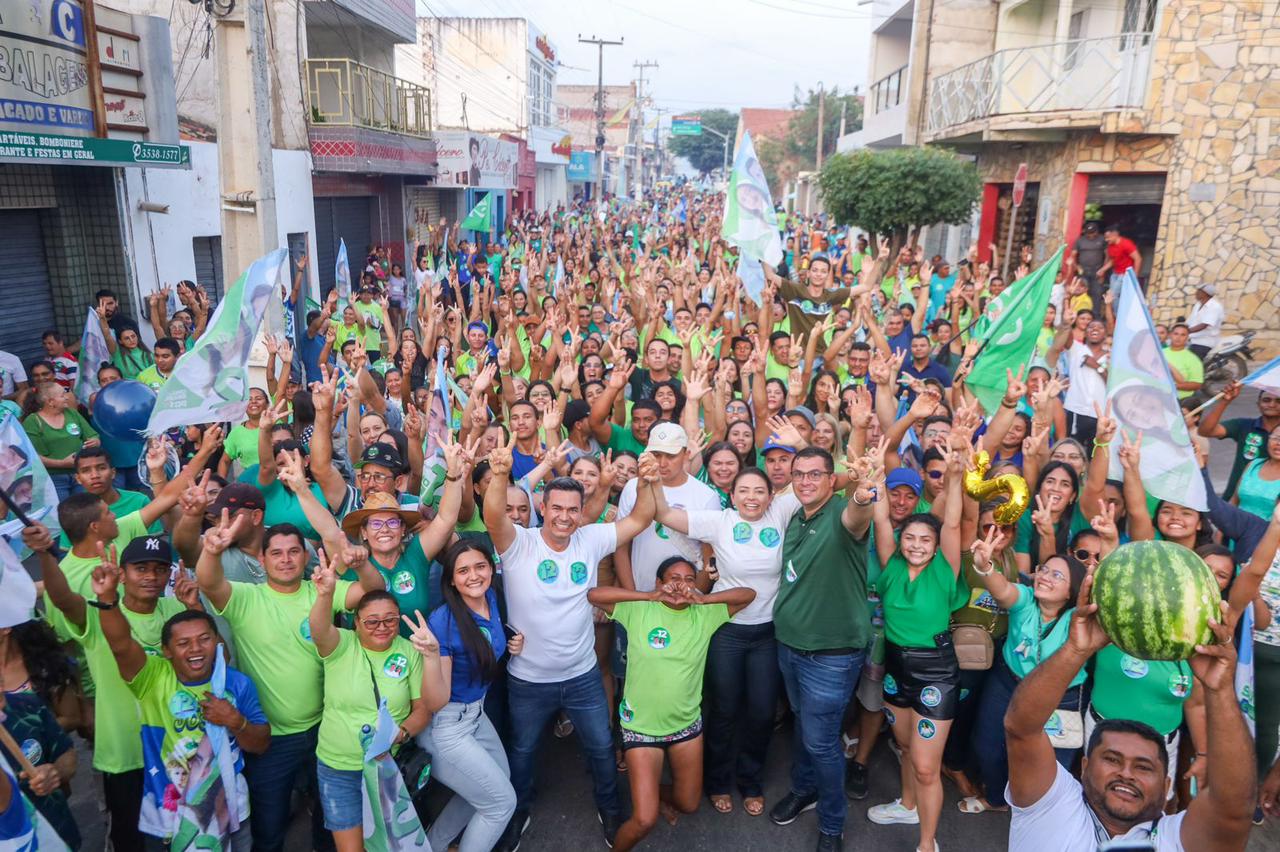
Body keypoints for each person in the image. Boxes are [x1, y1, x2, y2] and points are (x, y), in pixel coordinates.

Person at [484, 439, 660, 851]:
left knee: (601, 746)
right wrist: (498, 473)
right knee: (523, 752)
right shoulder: (519, 543)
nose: (564, 517)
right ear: (543, 508)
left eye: (572, 509)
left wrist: (650, 481)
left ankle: (609, 808)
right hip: (527, 679)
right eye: (556, 508)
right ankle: (518, 812)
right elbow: (493, 516)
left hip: (582, 676)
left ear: (582, 512)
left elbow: (641, 517)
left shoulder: (591, 538)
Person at [1004, 573, 1256, 850]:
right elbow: (1021, 729)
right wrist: (1076, 649)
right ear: (1085, 767)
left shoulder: (1177, 839)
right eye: (1112, 759)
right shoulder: (1050, 805)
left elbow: (1234, 808)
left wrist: (1220, 690)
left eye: (1144, 767)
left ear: (1166, 785)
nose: (1126, 773)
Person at [194, 511, 386, 852]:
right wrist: (210, 551)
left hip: (327, 733)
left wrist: (362, 564)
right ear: (263, 559)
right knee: (269, 832)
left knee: (331, 824)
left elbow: (374, 595)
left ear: (305, 556)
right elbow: (209, 583)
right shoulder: (245, 599)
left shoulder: (321, 591)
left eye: (294, 551)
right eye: (277, 553)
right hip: (271, 741)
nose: (286, 560)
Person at [33, 526, 200, 852]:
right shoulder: (99, 614)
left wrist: (194, 607)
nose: (151, 576)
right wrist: (43, 553)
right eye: (141, 568)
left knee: (182, 834)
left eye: (159, 569)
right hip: (125, 757)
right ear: (121, 574)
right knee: (130, 840)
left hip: (176, 751)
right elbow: (63, 598)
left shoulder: (178, 612)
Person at [95, 549, 269, 852]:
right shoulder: (152, 678)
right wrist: (109, 600)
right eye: (183, 643)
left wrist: (235, 721)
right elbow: (121, 644)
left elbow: (261, 743)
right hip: (168, 815)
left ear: (216, 642)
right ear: (166, 651)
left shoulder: (236, 683)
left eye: (204, 640)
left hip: (232, 809)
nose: (195, 650)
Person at [651, 467, 800, 816]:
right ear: (731, 496)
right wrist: (653, 479)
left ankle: (750, 781)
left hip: (767, 632)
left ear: (770, 495)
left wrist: (795, 443)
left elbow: (819, 480)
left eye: (759, 491)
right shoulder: (720, 521)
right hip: (726, 631)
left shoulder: (779, 511)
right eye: (744, 491)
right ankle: (717, 781)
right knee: (723, 710)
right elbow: (665, 514)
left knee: (763, 712)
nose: (752, 497)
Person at [587, 556, 755, 851]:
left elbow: (748, 595)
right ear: (660, 583)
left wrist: (704, 600)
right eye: (673, 578)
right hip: (641, 728)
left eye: (689, 580)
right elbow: (594, 595)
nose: (681, 585)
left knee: (689, 804)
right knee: (644, 821)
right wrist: (647, 595)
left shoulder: (705, 615)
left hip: (686, 726)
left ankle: (656, 794)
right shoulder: (639, 610)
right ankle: (645, 808)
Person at [769, 446, 877, 852]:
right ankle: (804, 788)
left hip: (831, 654)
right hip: (790, 644)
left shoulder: (840, 514)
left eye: (815, 474)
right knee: (803, 723)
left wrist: (865, 494)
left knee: (821, 740)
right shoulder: (796, 516)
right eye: (799, 474)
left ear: (833, 481)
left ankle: (833, 823)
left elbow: (859, 513)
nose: (805, 481)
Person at [865, 449, 964, 852]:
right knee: (905, 747)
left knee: (926, 767)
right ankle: (907, 805)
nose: (918, 545)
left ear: (937, 545)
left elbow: (953, 520)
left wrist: (955, 474)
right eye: (911, 538)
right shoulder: (890, 566)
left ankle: (927, 843)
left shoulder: (945, 569)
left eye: (926, 539)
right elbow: (879, 516)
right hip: (895, 669)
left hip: (936, 674)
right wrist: (873, 476)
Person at [307, 552, 432, 852]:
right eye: (372, 621)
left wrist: (400, 733)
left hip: (385, 767)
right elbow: (318, 628)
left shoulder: (409, 650)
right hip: (339, 766)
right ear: (356, 623)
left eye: (390, 619)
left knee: (390, 845)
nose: (382, 626)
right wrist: (325, 594)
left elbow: (422, 709)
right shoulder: (340, 645)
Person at [412, 541, 521, 852]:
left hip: (476, 714)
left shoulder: (491, 597)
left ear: (491, 568)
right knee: (500, 804)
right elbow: (434, 702)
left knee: (497, 780)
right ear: (451, 580)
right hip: (447, 725)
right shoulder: (443, 622)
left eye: (480, 566)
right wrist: (432, 656)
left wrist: (515, 641)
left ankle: (433, 846)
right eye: (463, 570)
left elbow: (492, 640)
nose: (473, 576)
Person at [1198, 380, 1280, 500]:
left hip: (1271, 502)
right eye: (1266, 400)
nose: (1272, 404)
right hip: (1236, 499)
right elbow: (1205, 431)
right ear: (1258, 404)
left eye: (1278, 401)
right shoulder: (1244, 426)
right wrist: (1225, 402)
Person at [23, 383, 100, 500]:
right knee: (63, 514)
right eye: (62, 395)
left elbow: (93, 435)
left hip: (81, 473)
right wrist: (61, 463)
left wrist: (95, 441)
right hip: (54, 478)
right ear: (50, 402)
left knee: (87, 510)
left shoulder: (72, 413)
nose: (67, 397)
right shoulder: (32, 421)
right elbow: (33, 456)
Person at [1072, 222, 1107, 307]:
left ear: (1097, 231)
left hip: (1097, 271)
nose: (1091, 235)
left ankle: (1096, 316)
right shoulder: (1080, 240)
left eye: (1093, 233)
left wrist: (1103, 270)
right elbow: (1073, 255)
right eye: (1088, 233)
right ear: (1085, 232)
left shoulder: (1102, 240)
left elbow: (1108, 256)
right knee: (1081, 292)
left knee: (1097, 293)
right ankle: (1081, 313)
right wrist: (1076, 266)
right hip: (1083, 270)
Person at [1186, 283, 1224, 361]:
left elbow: (1204, 325)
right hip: (1192, 339)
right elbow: (1190, 321)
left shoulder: (1215, 307)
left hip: (1204, 342)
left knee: (1192, 363)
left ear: (1205, 293)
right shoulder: (1198, 304)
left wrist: (1186, 331)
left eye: (1199, 291)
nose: (1196, 293)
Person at [1097, 224, 1141, 290]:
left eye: (1108, 237)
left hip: (1125, 274)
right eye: (1105, 237)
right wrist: (1102, 270)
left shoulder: (1126, 244)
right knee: (1113, 295)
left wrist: (1134, 276)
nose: (1106, 239)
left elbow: (1138, 259)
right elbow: (1112, 261)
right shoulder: (1110, 246)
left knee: (1112, 294)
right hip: (1115, 273)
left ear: (1115, 234)